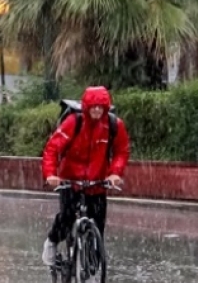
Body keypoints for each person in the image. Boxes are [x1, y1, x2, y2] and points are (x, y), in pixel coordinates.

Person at [41, 85, 131, 266]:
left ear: (106, 108)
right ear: (86, 107)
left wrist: (114, 173)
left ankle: (92, 272)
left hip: (97, 184)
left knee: (98, 229)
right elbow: (52, 149)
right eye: (93, 106)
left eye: (101, 107)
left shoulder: (113, 125)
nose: (97, 110)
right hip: (71, 181)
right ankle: (51, 242)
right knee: (66, 217)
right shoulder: (74, 122)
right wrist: (50, 174)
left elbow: (121, 151)